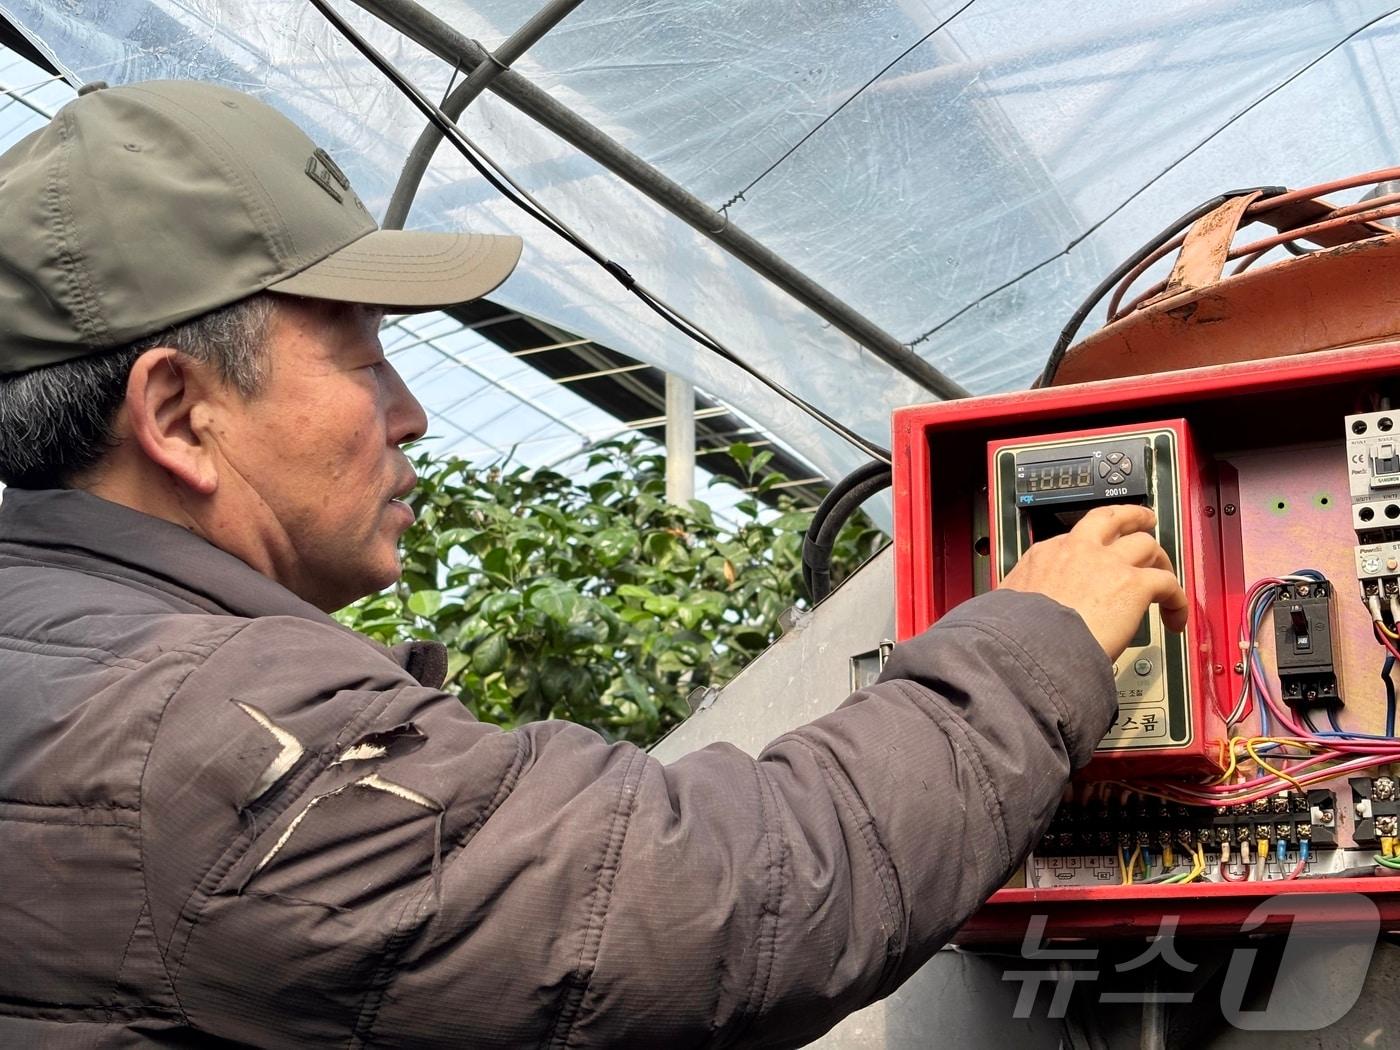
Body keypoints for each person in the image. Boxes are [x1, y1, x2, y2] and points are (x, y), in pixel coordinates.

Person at [0, 80, 1187, 1048]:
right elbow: (736, 902)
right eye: (362, 361)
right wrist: (1037, 639)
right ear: (178, 413)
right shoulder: (215, 739)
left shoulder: (62, 658)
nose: (409, 413)